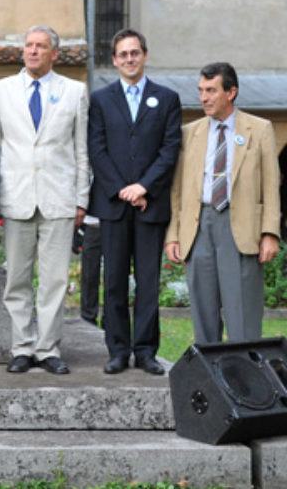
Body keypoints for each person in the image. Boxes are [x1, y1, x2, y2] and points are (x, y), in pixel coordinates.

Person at [0, 25, 89, 376]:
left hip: (58, 199)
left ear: (54, 54)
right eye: (28, 46)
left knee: (54, 281)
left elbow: (81, 150)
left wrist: (81, 199)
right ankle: (22, 347)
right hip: (15, 197)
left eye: (40, 46)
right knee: (16, 279)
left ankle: (48, 349)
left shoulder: (75, 92)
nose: (32, 51)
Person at [88, 28, 181, 376]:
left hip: (149, 205)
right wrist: (121, 189)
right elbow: (96, 148)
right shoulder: (100, 99)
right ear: (114, 60)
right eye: (123, 54)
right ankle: (117, 350)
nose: (129, 59)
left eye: (135, 53)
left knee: (147, 282)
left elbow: (169, 149)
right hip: (113, 204)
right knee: (112, 281)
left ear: (144, 55)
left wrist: (143, 187)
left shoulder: (167, 99)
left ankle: (145, 351)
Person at [165, 62, 279, 344]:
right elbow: (177, 190)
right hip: (199, 226)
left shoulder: (260, 129)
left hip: (240, 227)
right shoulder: (189, 133)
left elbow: (271, 185)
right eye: (201, 90)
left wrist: (270, 233)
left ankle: (246, 378)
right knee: (203, 311)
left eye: (211, 90)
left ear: (231, 92)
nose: (203, 97)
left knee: (242, 313)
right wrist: (173, 236)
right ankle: (210, 378)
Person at [79, 214, 102, 326]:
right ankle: (87, 318)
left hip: (117, 221)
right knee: (89, 275)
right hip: (92, 223)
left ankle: (111, 320)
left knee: (115, 275)